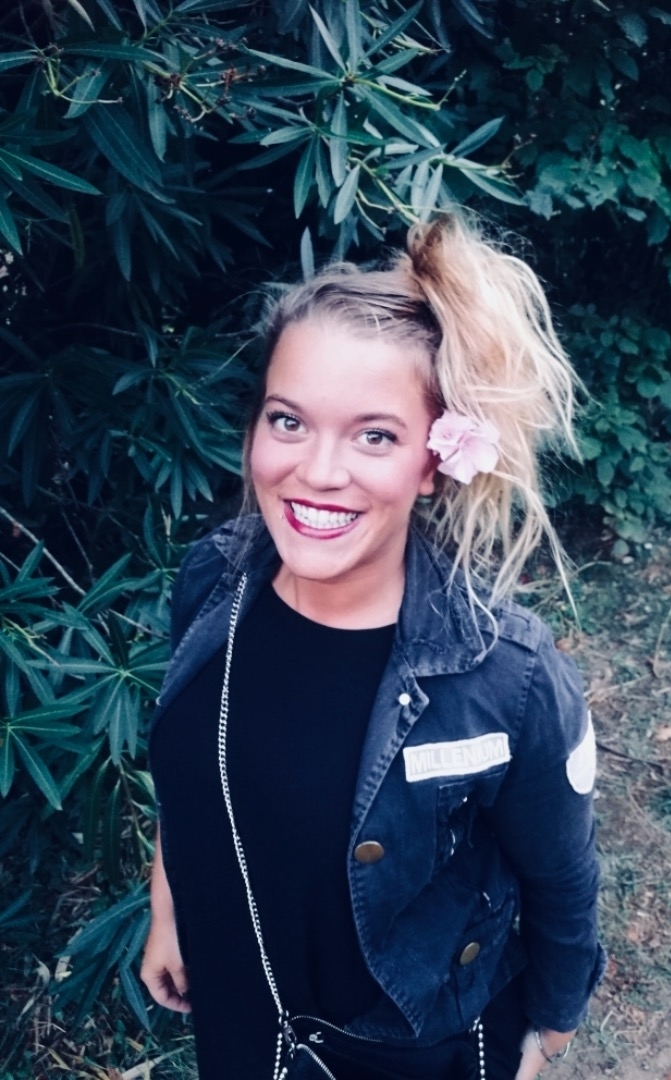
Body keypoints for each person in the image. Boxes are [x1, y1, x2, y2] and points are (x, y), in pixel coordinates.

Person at [141, 213, 606, 1080]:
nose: (318, 471)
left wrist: (550, 1031)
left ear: (433, 462)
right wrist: (169, 905)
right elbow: (191, 774)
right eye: (288, 421)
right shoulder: (213, 579)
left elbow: (562, 878)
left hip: (408, 1052)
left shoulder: (506, 678)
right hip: (242, 1014)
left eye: (375, 435)